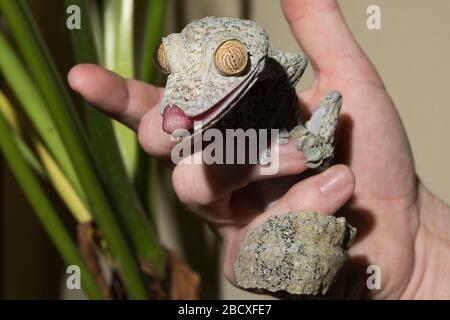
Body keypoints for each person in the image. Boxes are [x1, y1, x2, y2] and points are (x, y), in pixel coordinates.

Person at [67, 0, 450, 299]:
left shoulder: (276, 87)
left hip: (308, 160)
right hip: (277, 199)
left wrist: (422, 263)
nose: (177, 95)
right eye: (169, 59)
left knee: (311, 150)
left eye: (230, 61)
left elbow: (294, 69)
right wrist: (414, 278)